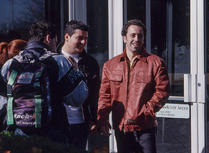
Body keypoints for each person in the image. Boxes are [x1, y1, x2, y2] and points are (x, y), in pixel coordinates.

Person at [0, 21, 88, 144]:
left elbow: (3, 100)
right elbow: (78, 98)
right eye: (55, 41)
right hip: (52, 136)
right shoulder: (58, 61)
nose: (56, 45)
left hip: (18, 136)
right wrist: (77, 73)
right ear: (48, 38)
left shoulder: (10, 64)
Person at [96, 19, 170, 153]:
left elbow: (162, 92)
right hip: (121, 128)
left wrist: (146, 111)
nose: (136, 39)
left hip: (145, 127)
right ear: (124, 38)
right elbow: (105, 96)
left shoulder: (156, 63)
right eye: (132, 35)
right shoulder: (110, 65)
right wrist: (103, 119)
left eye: (140, 36)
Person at [59, 20, 100, 150]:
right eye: (79, 38)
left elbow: (95, 94)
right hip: (57, 123)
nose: (83, 42)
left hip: (81, 123)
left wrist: (95, 119)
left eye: (86, 38)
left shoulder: (90, 63)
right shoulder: (52, 60)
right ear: (67, 37)